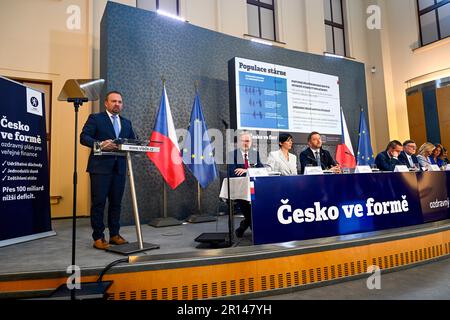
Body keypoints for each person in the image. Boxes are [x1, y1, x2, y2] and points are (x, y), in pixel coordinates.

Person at [80, 91, 136, 250]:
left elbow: (132, 141)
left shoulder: (127, 123)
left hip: (119, 168)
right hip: (100, 168)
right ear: (106, 103)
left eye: (119, 101)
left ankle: (114, 235)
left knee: (116, 203)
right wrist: (100, 144)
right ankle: (98, 237)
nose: (117, 104)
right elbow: (84, 137)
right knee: (99, 203)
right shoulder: (96, 119)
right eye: (113, 101)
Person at [228, 131, 263, 238]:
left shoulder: (254, 154)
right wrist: (250, 170)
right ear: (239, 142)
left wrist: (246, 170)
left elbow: (261, 169)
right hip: (240, 189)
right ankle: (256, 231)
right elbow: (232, 173)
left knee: (261, 203)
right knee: (247, 206)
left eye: (248, 141)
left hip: (254, 188)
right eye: (243, 141)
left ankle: (244, 225)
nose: (245, 143)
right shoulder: (232, 155)